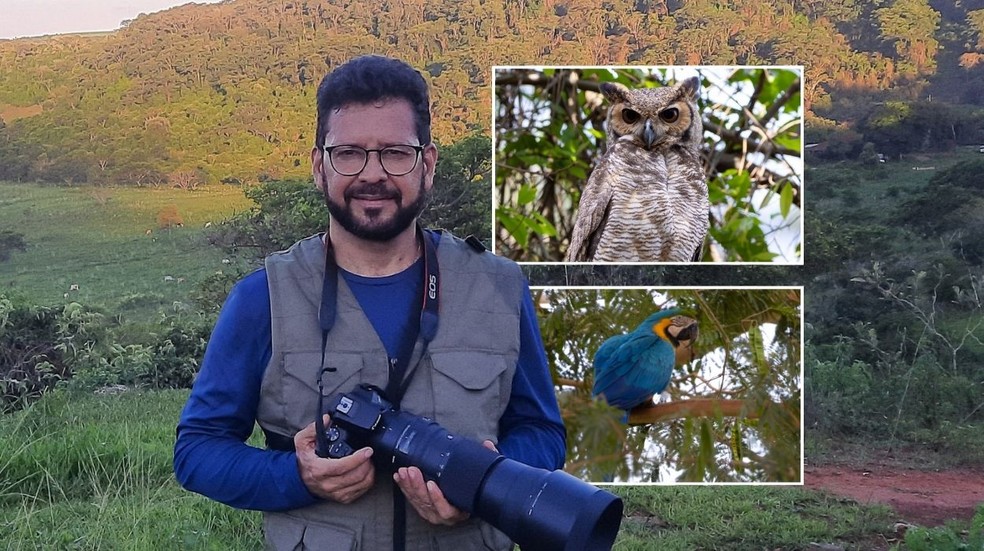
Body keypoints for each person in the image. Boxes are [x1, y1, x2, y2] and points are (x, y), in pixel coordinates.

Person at [173, 55, 566, 550]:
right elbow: (197, 451)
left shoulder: (500, 287)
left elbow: (542, 431)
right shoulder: (263, 297)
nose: (372, 174)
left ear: (428, 163)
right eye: (349, 154)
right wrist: (296, 475)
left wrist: (482, 484)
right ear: (319, 166)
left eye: (396, 153)